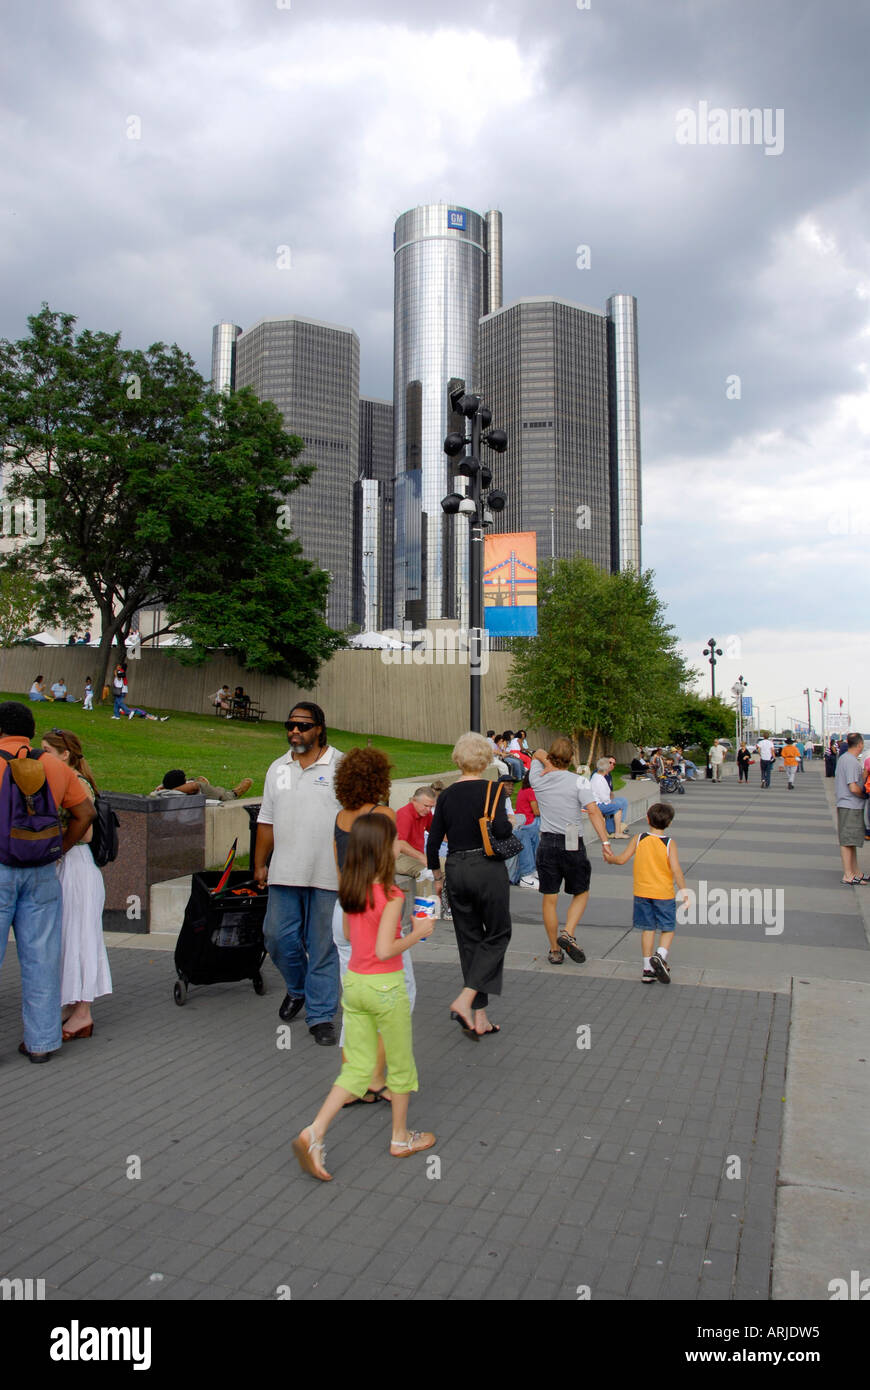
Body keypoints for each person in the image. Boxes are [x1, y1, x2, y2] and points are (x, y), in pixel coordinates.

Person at [292, 814, 435, 1180]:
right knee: (400, 1066)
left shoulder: (351, 893)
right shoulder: (391, 895)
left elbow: (352, 938)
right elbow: (387, 950)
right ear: (383, 850)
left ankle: (315, 1131)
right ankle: (400, 1138)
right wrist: (418, 932)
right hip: (386, 988)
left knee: (356, 1067)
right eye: (393, 842)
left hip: (354, 985)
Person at [0, 702, 95, 1062]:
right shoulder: (53, 764)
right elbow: (85, 811)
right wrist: (60, 848)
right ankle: (41, 1043)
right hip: (42, 871)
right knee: (41, 958)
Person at [255, 703, 342, 1046]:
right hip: (284, 872)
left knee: (323, 948)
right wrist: (260, 863)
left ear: (319, 728)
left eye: (302, 726)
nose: (294, 731)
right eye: (289, 724)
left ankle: (320, 1015)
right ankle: (298, 988)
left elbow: (360, 817)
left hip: (329, 875)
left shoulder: (342, 764)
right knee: (276, 937)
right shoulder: (278, 767)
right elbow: (266, 821)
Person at [331, 747, 413, 1103]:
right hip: (376, 911)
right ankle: (374, 1078)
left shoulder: (339, 818)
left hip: (345, 909)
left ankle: (354, 1081)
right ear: (380, 778)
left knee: (354, 1000)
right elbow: (388, 864)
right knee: (400, 995)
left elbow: (339, 871)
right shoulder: (384, 814)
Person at [426, 732, 513, 1037]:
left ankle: (480, 1016)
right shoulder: (494, 790)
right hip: (487, 869)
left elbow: (433, 841)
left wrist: (436, 878)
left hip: (456, 869)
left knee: (470, 941)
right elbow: (501, 831)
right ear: (486, 759)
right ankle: (465, 1001)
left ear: (458, 758)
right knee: (499, 933)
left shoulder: (446, 795)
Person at [40, 730, 112, 1040]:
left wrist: (57, 847)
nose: (40, 756)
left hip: (76, 865)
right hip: (72, 865)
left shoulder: (75, 783)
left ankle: (83, 1010)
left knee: (80, 936)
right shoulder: (73, 780)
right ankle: (74, 1003)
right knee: (70, 935)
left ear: (64, 754)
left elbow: (85, 833)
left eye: (46, 750)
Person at [528, 737, 611, 966]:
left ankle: (555, 950)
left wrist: (546, 760)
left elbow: (537, 752)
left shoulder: (538, 777)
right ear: (572, 758)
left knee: (549, 898)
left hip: (547, 840)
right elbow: (593, 812)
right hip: (572, 837)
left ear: (552, 756)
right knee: (581, 891)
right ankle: (568, 932)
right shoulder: (579, 781)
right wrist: (605, 842)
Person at [603, 802, 688, 984]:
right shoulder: (669, 843)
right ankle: (660, 955)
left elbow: (622, 859)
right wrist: (684, 890)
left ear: (647, 819)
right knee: (668, 927)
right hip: (663, 894)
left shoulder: (639, 838)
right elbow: (676, 870)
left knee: (648, 929)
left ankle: (647, 969)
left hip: (641, 892)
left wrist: (610, 859)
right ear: (669, 823)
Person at [835, 733, 868, 886]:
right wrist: (865, 795)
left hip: (849, 805)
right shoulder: (850, 761)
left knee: (851, 840)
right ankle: (848, 875)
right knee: (847, 840)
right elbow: (853, 787)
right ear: (860, 744)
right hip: (850, 804)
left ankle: (856, 873)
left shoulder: (846, 759)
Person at [509, 770, 540, 888]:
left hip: (521, 822)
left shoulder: (522, 790)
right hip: (528, 822)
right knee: (536, 830)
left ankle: (533, 869)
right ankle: (530, 871)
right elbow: (536, 812)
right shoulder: (531, 791)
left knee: (532, 834)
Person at [588, 757, 630, 838]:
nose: (611, 766)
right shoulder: (600, 779)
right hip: (598, 804)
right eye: (610, 764)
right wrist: (611, 802)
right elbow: (604, 798)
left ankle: (617, 826)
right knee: (618, 807)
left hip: (600, 801)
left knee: (622, 801)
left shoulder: (599, 776)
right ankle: (616, 832)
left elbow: (609, 793)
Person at [150, 769, 253, 800]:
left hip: (202, 791)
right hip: (218, 796)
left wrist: (164, 786)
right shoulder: (187, 788)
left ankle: (207, 785)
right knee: (222, 793)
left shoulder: (161, 791)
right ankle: (236, 792)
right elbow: (193, 787)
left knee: (210, 788)